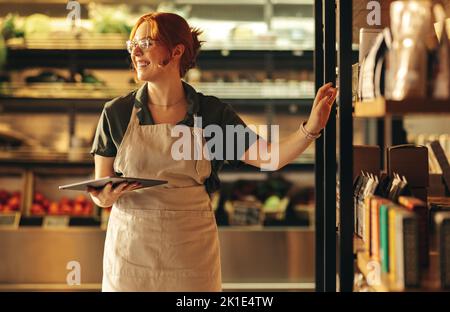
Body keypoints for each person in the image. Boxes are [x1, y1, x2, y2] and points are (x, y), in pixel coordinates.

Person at [89, 12, 337, 292]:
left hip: (190, 254)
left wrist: (311, 128)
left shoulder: (211, 114)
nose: (135, 51)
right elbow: (102, 186)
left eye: (145, 42)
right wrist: (104, 197)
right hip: (131, 254)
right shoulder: (117, 113)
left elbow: (270, 158)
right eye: (131, 44)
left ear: (176, 51)